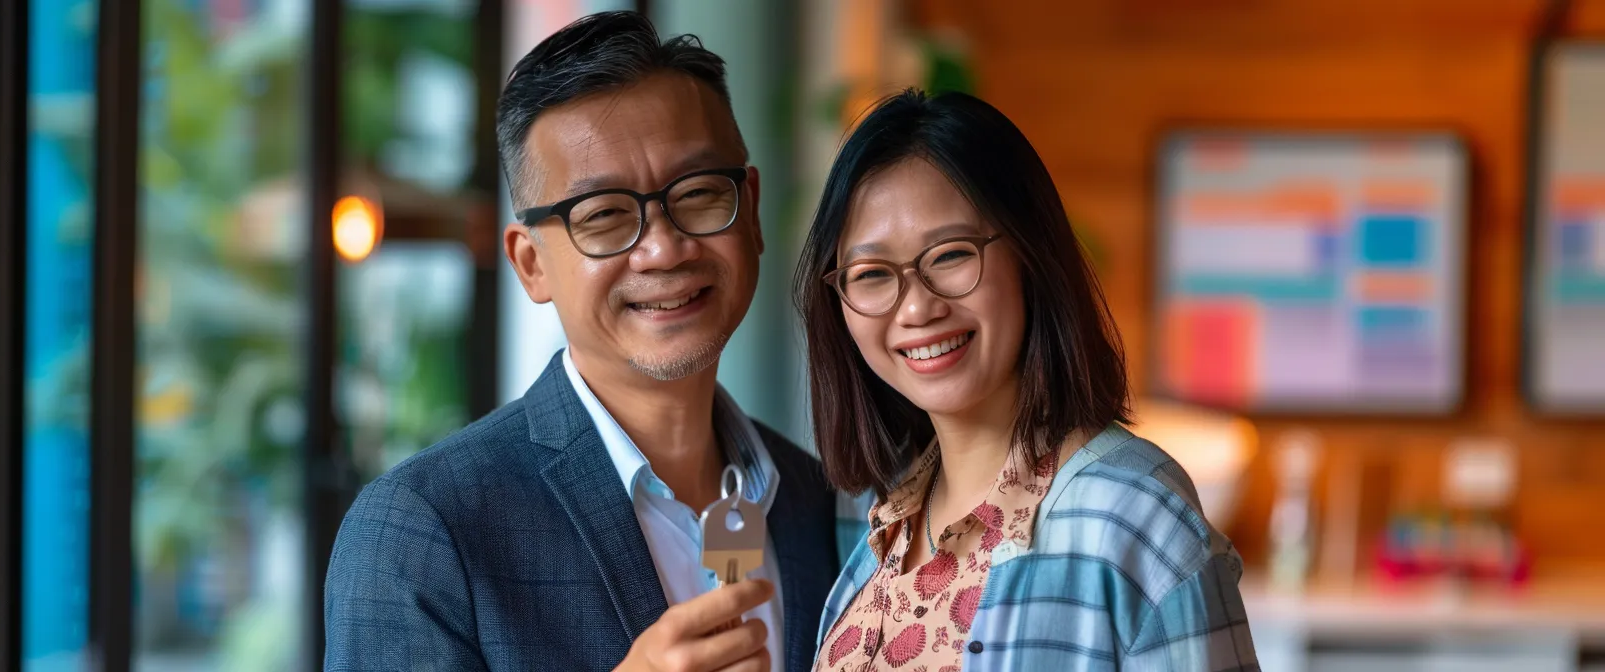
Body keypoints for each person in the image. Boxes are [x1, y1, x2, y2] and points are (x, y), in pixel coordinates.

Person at [324, 11, 843, 672]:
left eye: (700, 193)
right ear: (530, 263)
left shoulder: (822, 502)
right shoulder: (422, 529)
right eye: (603, 215)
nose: (663, 247)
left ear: (753, 210)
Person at [793, 89, 1259, 671]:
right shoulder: (885, 523)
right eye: (871, 273)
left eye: (949, 255)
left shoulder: (1134, 516)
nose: (915, 309)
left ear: (1029, 255)